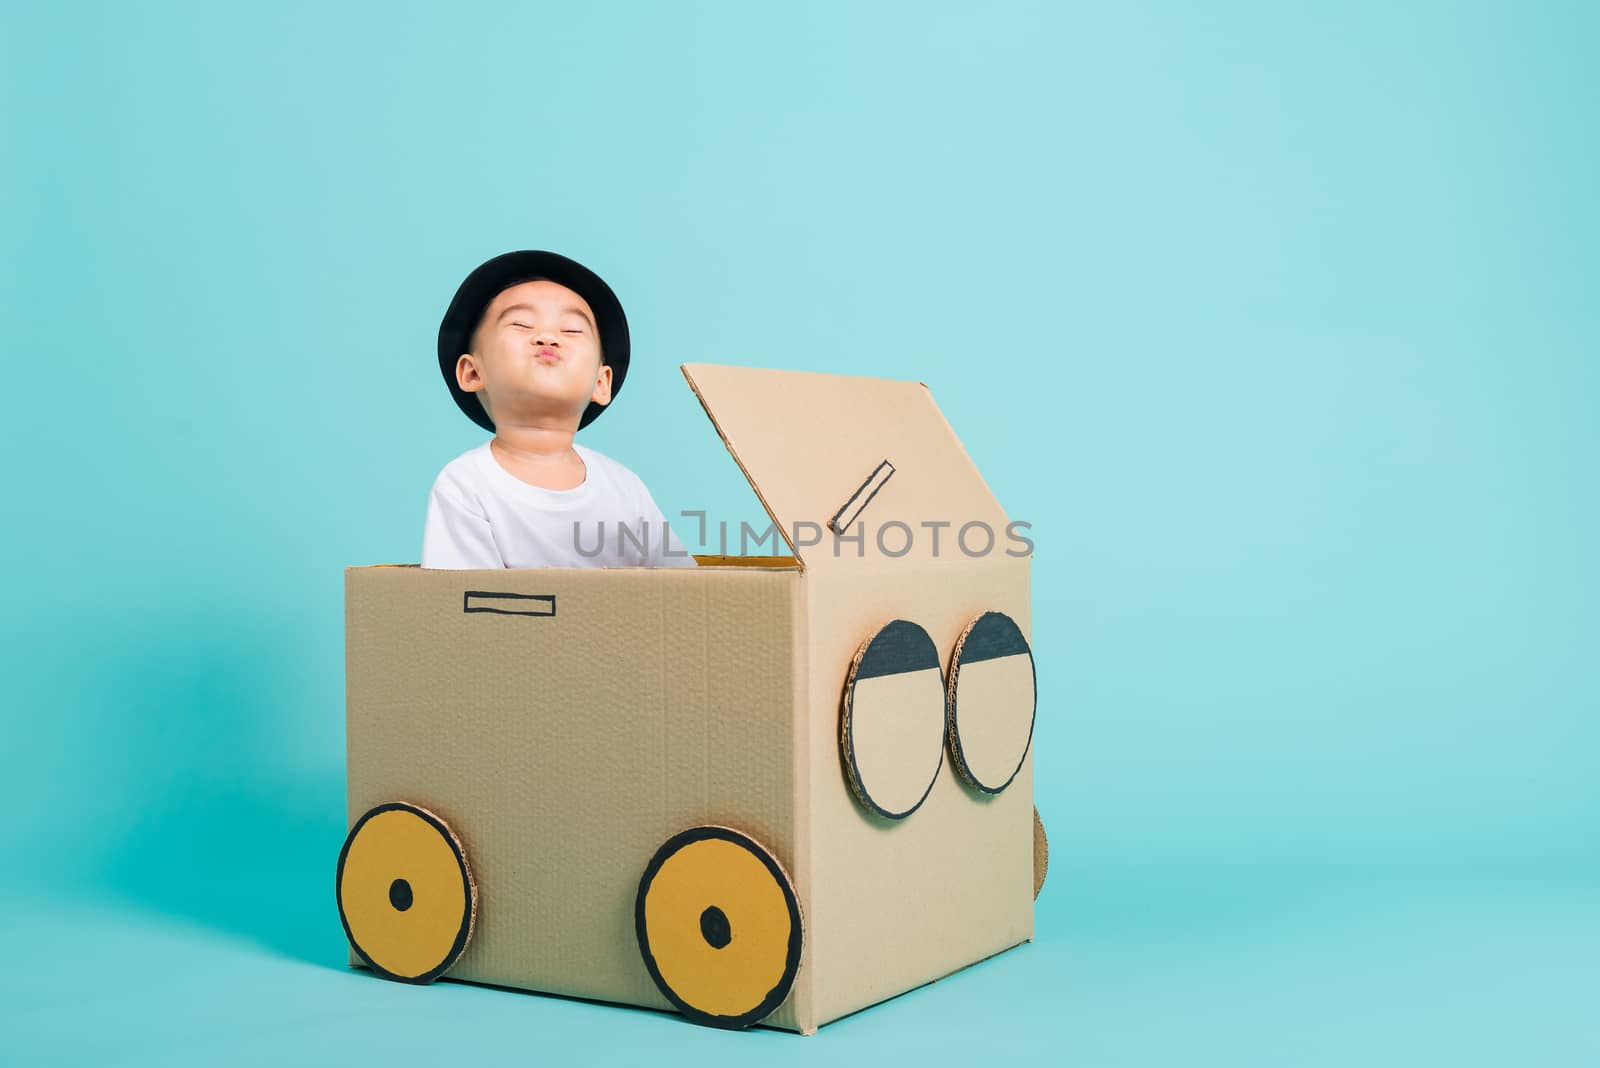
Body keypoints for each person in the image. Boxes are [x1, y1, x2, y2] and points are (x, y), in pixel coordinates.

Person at [421, 250, 697, 569]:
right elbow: (465, 605)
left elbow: (685, 592)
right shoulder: (467, 485)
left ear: (601, 382)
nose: (548, 337)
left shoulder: (624, 488)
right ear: (472, 373)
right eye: (522, 324)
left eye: (572, 330)